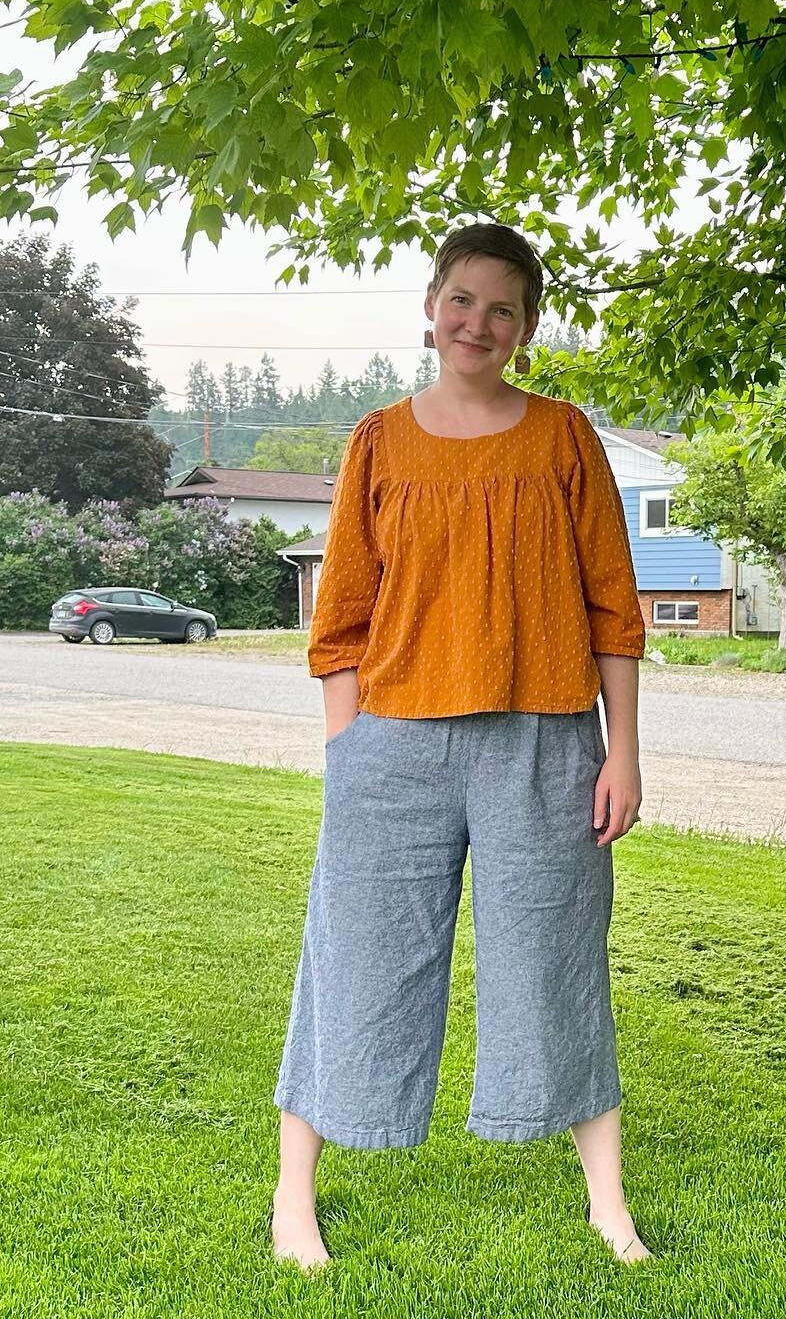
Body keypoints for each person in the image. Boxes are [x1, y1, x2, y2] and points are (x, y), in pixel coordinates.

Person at [270, 222, 651, 1270]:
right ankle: (292, 1199)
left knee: (557, 965)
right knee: (355, 965)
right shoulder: (378, 442)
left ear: (526, 329)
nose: (478, 322)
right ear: (431, 306)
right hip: (394, 749)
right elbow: (340, 615)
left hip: (544, 745)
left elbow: (613, 608)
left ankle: (606, 1205)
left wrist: (623, 752)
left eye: (504, 309)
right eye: (464, 300)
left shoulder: (564, 438)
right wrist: (350, 748)